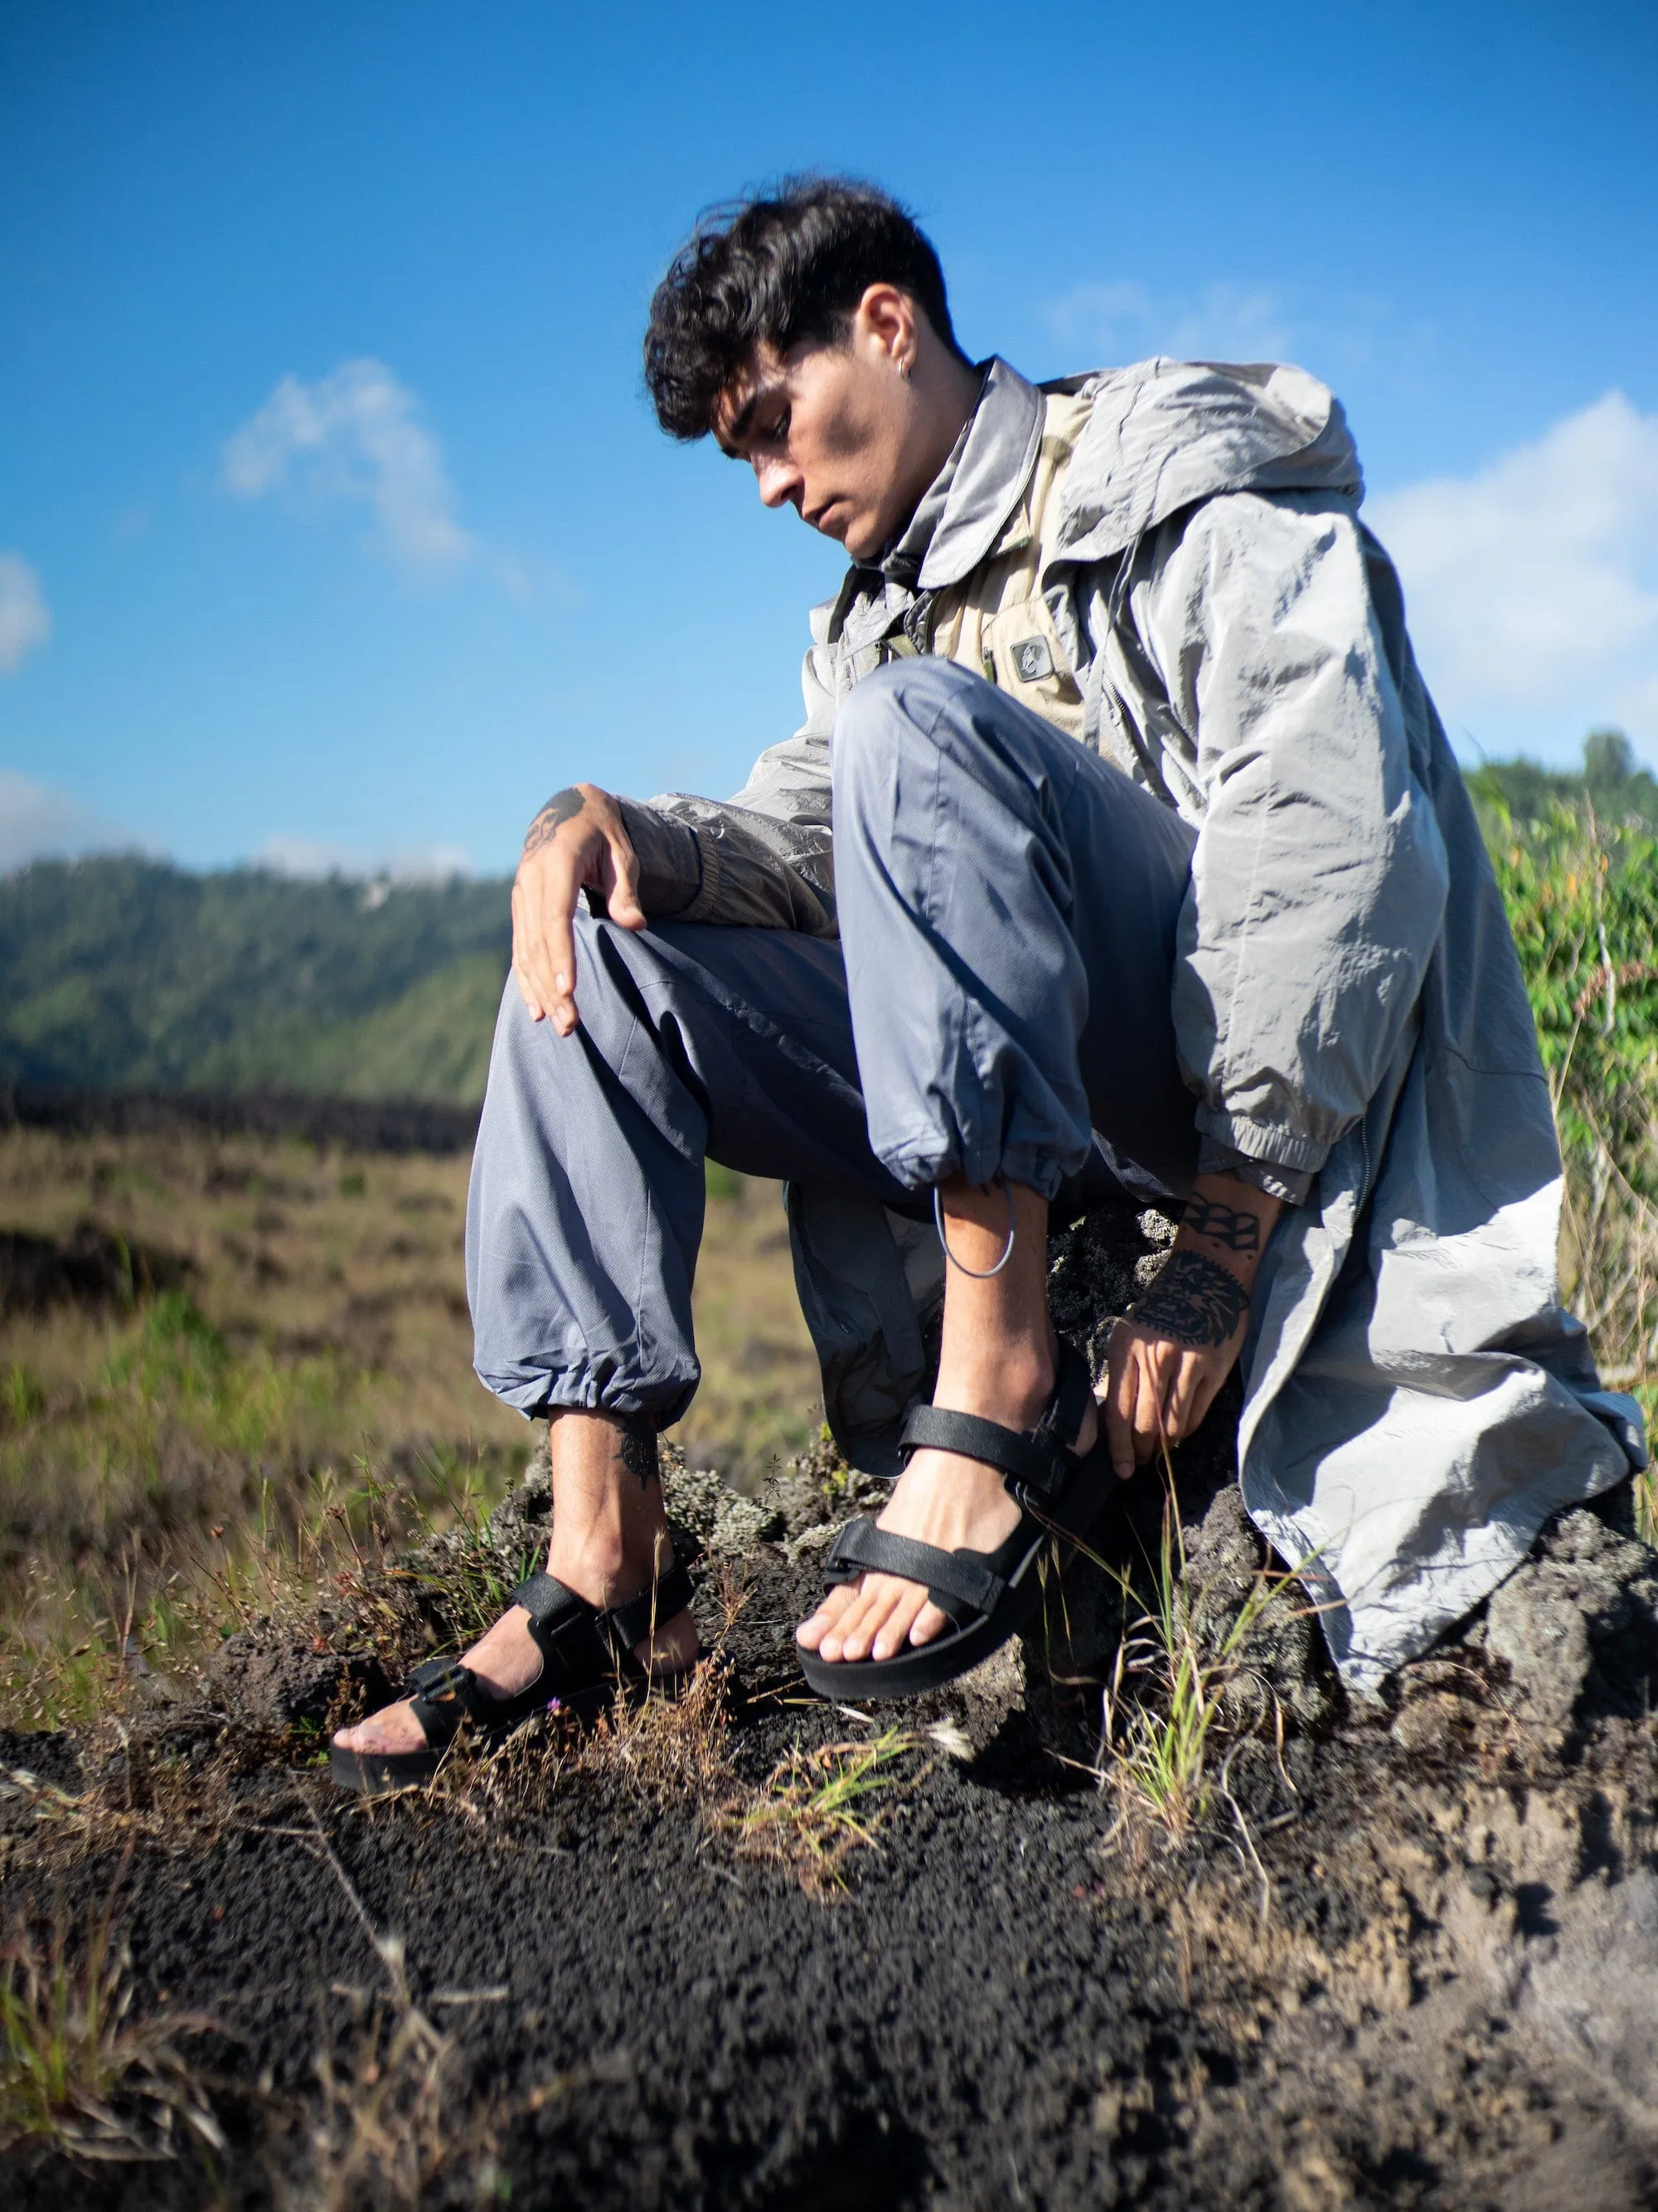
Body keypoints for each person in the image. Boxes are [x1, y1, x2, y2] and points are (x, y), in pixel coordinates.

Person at [331, 177, 1644, 1790]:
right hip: (1018, 1105)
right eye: (739, 454)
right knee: (598, 956)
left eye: (773, 422)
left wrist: (1222, 1237)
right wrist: (619, 832)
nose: (764, 485)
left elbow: (1331, 847)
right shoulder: (875, 618)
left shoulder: (1191, 487)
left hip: (1227, 1082)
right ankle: (608, 1570)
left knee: (909, 727)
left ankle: (993, 1385)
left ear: (885, 323)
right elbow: (803, 835)